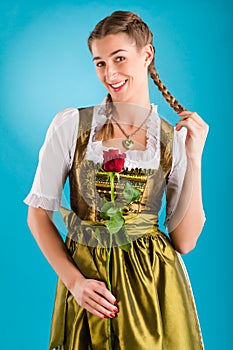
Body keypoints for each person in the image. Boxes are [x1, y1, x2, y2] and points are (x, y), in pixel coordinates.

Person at [24, 10, 209, 350]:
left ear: (147, 54)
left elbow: (185, 241)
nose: (110, 73)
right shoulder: (71, 126)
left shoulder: (171, 140)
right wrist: (75, 283)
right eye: (100, 63)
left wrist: (194, 158)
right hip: (88, 285)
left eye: (119, 58)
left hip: (155, 290)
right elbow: (37, 214)